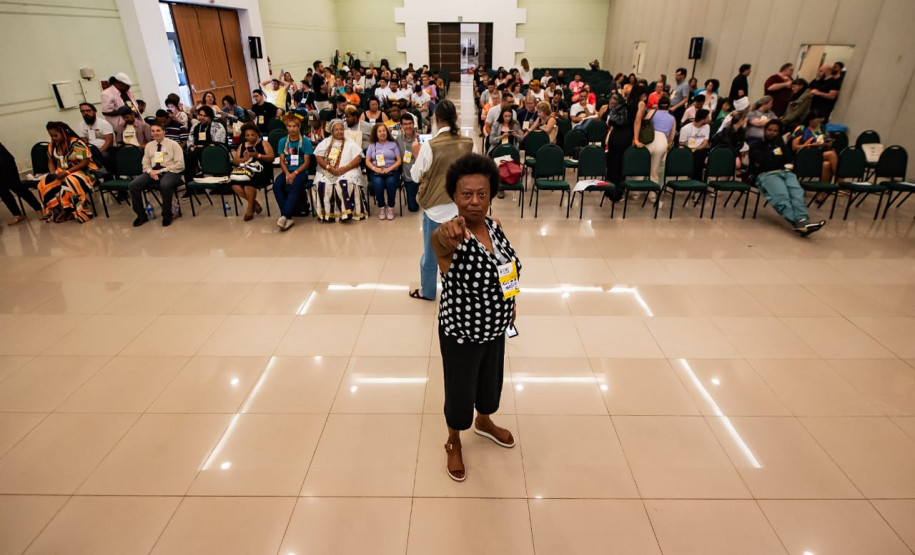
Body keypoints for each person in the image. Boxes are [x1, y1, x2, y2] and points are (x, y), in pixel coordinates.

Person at [432, 153, 520, 482]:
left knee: (489, 382)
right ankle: (453, 440)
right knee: (459, 390)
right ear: (453, 196)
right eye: (466, 194)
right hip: (461, 333)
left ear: (491, 194)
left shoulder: (495, 227)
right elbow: (438, 243)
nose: (474, 202)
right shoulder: (450, 237)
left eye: (481, 194)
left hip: (496, 327)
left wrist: (511, 301)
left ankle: (484, 420)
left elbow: (507, 269)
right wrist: (444, 235)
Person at [409, 100, 474, 301]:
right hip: (459, 208)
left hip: (435, 210)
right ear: (456, 118)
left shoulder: (429, 146)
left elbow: (414, 176)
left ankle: (428, 292)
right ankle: (460, 293)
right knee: (460, 252)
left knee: (431, 255)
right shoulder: (467, 142)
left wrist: (416, 154)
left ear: (436, 119)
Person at [749, 120, 825, 235]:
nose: (772, 133)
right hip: (766, 174)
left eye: (775, 131)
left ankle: (803, 220)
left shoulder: (781, 145)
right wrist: (775, 156)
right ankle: (799, 223)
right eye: (769, 130)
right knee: (782, 197)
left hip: (785, 172)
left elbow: (788, 158)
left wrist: (772, 157)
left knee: (797, 194)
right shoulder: (756, 145)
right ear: (765, 130)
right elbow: (761, 160)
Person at [37, 121, 97, 223]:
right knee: (43, 183)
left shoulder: (76, 143)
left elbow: (84, 162)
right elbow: (50, 161)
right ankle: (58, 211)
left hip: (83, 171)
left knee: (70, 181)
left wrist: (67, 172)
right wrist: (52, 173)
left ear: (64, 132)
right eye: (51, 136)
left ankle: (80, 212)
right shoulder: (53, 146)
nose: (53, 138)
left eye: (56, 135)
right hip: (62, 171)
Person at [128, 122, 184, 227]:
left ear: (164, 131)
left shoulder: (173, 144)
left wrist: (161, 171)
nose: (155, 133)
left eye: (158, 130)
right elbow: (145, 163)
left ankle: (167, 215)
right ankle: (141, 216)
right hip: (153, 171)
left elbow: (180, 165)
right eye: (153, 131)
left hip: (171, 171)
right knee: (133, 185)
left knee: (165, 184)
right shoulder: (149, 146)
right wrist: (150, 171)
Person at [312, 119, 366, 222]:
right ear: (332, 131)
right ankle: (328, 215)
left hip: (347, 169)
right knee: (323, 184)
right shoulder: (326, 142)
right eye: (336, 130)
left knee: (344, 183)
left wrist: (345, 169)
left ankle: (347, 213)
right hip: (328, 169)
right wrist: (329, 168)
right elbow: (318, 157)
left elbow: (358, 157)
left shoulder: (350, 142)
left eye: (341, 129)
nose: (339, 131)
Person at [273, 113, 314, 231]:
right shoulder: (282, 141)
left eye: (294, 126)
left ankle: (284, 215)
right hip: (287, 170)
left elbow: (306, 163)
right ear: (286, 127)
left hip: (300, 172)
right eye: (289, 126)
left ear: (299, 127)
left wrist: (294, 174)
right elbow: (281, 161)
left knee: (295, 185)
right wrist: (287, 173)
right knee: (277, 185)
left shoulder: (305, 142)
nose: (292, 129)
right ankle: (288, 217)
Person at [230, 122, 274, 221]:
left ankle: (250, 209)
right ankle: (254, 203)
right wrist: (244, 160)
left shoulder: (264, 143)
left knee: (248, 183)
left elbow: (271, 158)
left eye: (252, 135)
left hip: (262, 171)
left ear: (257, 134)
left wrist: (257, 156)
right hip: (246, 170)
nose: (250, 137)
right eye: (247, 135)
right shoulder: (242, 146)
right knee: (234, 184)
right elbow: (235, 161)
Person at [790, 109, 838, 194]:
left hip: (820, 153)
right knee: (831, 154)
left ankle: (822, 191)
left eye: (820, 122)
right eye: (817, 121)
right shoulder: (801, 128)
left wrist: (827, 143)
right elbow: (794, 147)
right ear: (810, 120)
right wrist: (811, 145)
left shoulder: (822, 128)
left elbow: (827, 141)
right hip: (805, 154)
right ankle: (839, 180)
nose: (818, 124)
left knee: (826, 164)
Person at [365, 123, 402, 220]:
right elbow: (367, 161)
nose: (382, 133)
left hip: (392, 170)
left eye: (384, 131)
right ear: (375, 133)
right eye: (379, 131)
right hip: (377, 171)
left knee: (390, 183)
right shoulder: (372, 146)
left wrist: (390, 168)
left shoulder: (393, 144)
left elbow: (399, 160)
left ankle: (390, 207)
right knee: (378, 183)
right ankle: (381, 206)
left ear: (387, 132)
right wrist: (374, 168)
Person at [0, 142, 42, 225]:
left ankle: (38, 208)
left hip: (4, 163)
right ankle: (17, 214)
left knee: (17, 187)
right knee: (2, 191)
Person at [604, 90, 638, 186]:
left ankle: (609, 189)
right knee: (619, 166)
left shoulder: (618, 110)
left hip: (614, 137)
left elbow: (610, 122)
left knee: (612, 164)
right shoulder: (633, 109)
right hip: (624, 138)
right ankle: (617, 190)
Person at [185, 106, 227, 183]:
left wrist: (203, 147)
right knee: (188, 157)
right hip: (196, 149)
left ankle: (208, 176)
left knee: (204, 152)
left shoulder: (217, 126)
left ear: (210, 116)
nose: (202, 118)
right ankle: (191, 184)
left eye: (205, 116)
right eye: (200, 115)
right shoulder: (195, 126)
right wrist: (191, 146)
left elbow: (218, 141)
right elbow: (190, 138)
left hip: (211, 149)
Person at [646, 95, 676, 184]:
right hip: (662, 140)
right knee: (655, 171)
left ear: (658, 105)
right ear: (669, 106)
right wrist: (668, 143)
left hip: (649, 138)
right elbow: (672, 136)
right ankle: (653, 195)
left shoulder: (652, 112)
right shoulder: (672, 118)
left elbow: (644, 124)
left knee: (642, 166)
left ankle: (635, 193)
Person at [77, 103, 114, 170]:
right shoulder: (81, 125)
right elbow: (84, 142)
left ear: (94, 111)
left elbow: (109, 142)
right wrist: (84, 153)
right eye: (83, 111)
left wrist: (98, 152)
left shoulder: (104, 124)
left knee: (103, 156)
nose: (85, 113)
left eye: (88, 110)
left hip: (104, 149)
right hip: (90, 150)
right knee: (78, 157)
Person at [397, 113, 421, 212]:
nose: (408, 126)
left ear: (413, 124)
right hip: (409, 177)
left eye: (410, 123)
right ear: (401, 126)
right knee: (413, 208)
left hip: (422, 176)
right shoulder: (398, 138)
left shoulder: (420, 137)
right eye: (405, 124)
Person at [679, 109, 712, 179]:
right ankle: (697, 179)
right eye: (707, 117)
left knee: (699, 154)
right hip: (688, 150)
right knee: (697, 157)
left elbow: (705, 142)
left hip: (701, 150)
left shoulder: (707, 127)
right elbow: (681, 145)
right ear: (703, 119)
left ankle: (694, 178)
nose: (709, 119)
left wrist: (696, 149)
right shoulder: (685, 129)